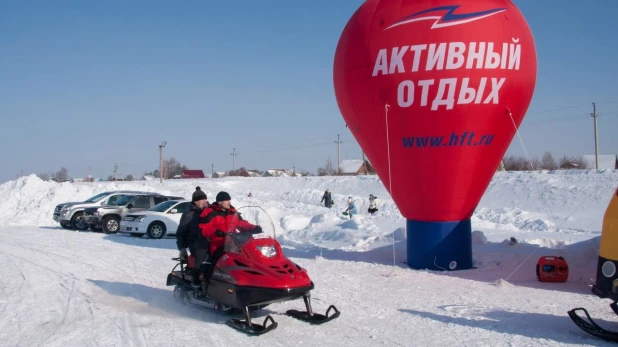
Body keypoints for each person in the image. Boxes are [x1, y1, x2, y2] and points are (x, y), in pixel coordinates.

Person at [197, 191, 262, 294]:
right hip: (217, 243)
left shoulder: (232, 212)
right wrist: (215, 232)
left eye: (229, 200)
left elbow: (242, 223)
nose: (229, 202)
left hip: (232, 243)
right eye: (226, 200)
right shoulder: (211, 212)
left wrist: (254, 228)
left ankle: (249, 281)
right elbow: (203, 228)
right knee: (216, 260)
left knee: (246, 257)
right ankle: (208, 284)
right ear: (219, 202)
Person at [176, 187, 209, 285]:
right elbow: (181, 233)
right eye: (201, 199)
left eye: (205, 199)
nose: (204, 201)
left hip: (209, 240)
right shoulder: (188, 215)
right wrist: (182, 249)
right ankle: (197, 278)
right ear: (195, 201)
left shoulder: (210, 211)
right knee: (203, 252)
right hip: (195, 243)